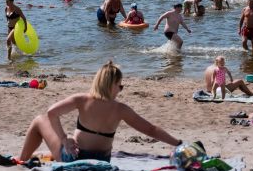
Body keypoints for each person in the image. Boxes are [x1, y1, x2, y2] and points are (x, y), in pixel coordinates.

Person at [14, 61, 181, 164]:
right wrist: (178, 143)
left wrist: (64, 139)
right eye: (120, 86)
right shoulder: (120, 109)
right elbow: (151, 129)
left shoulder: (82, 100)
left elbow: (51, 113)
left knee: (39, 120)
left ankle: (22, 160)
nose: (121, 90)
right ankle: (36, 155)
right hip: (102, 160)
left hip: (74, 159)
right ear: (110, 85)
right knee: (64, 135)